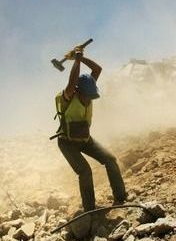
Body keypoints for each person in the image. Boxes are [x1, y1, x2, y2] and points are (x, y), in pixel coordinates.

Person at [54, 45, 127, 211]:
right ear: (78, 92)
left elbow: (97, 69)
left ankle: (121, 199)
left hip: (85, 140)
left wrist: (80, 57)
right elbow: (72, 82)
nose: (89, 100)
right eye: (87, 97)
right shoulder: (68, 96)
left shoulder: (88, 89)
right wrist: (77, 61)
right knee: (85, 172)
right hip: (67, 143)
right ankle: (90, 210)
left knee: (110, 159)